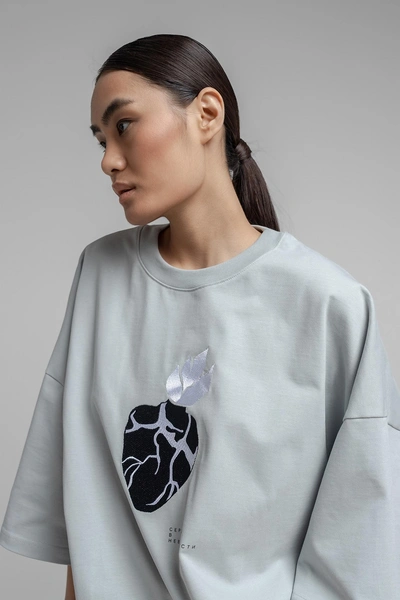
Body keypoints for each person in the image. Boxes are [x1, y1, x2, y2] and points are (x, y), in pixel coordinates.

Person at [0, 33, 399, 600]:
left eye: (124, 125)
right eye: (101, 140)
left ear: (207, 114)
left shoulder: (329, 305)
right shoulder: (100, 276)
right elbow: (87, 519)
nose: (109, 160)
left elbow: (359, 542)